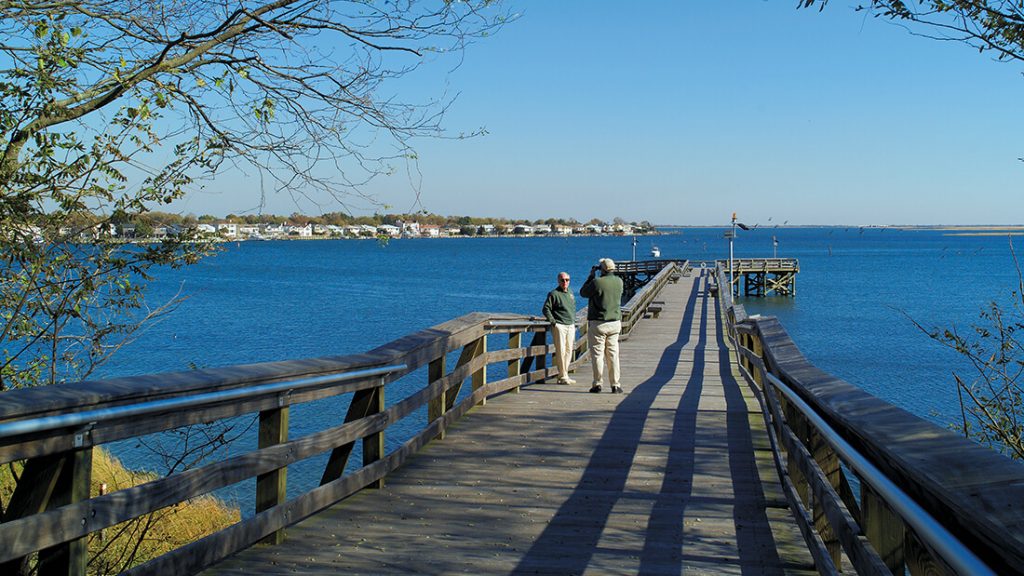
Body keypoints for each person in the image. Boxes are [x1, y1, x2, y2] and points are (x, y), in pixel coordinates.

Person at [580, 258, 624, 393]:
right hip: (615, 323)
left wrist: (591, 275)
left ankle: (598, 383)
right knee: (613, 355)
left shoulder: (597, 282)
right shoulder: (619, 281)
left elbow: (583, 292)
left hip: (598, 323)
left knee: (598, 355)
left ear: (602, 269)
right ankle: (615, 385)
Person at [542, 271, 577, 384]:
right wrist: (553, 322)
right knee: (561, 350)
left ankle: (564, 374)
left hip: (570, 324)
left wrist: (573, 320)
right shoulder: (554, 294)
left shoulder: (570, 292)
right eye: (562, 280)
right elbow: (546, 309)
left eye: (567, 280)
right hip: (560, 325)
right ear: (558, 281)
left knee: (569, 350)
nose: (565, 282)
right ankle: (563, 376)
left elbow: (572, 307)